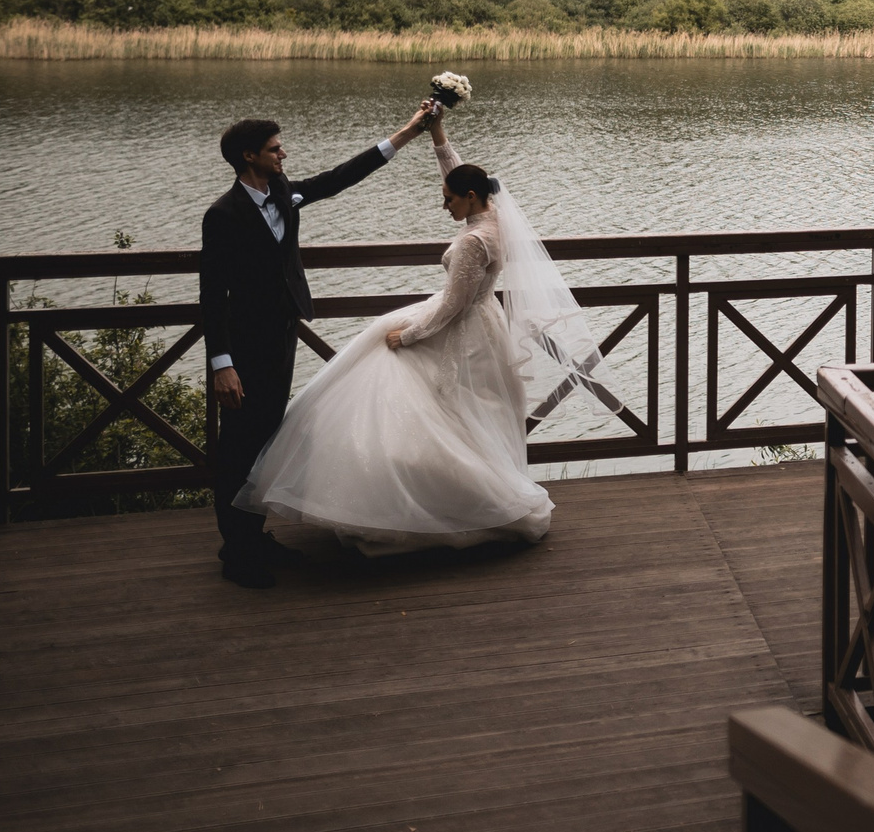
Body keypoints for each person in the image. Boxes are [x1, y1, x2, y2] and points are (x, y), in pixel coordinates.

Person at [230, 108, 601, 559]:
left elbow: (452, 305)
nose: (444, 205)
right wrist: (435, 133)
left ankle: (430, 506)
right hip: (486, 325)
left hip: (458, 328)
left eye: (448, 199)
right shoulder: (493, 214)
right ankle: (451, 498)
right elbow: (458, 175)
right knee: (469, 418)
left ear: (468, 198)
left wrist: (408, 336)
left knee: (416, 402)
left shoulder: (472, 241)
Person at [202, 105, 434, 588]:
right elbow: (211, 294)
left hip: (281, 337)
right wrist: (222, 364)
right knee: (239, 444)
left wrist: (408, 133)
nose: (283, 153)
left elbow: (340, 177)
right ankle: (236, 552)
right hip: (243, 347)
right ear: (249, 156)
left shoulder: (284, 192)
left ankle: (254, 536)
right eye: (274, 149)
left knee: (268, 437)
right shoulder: (222, 215)